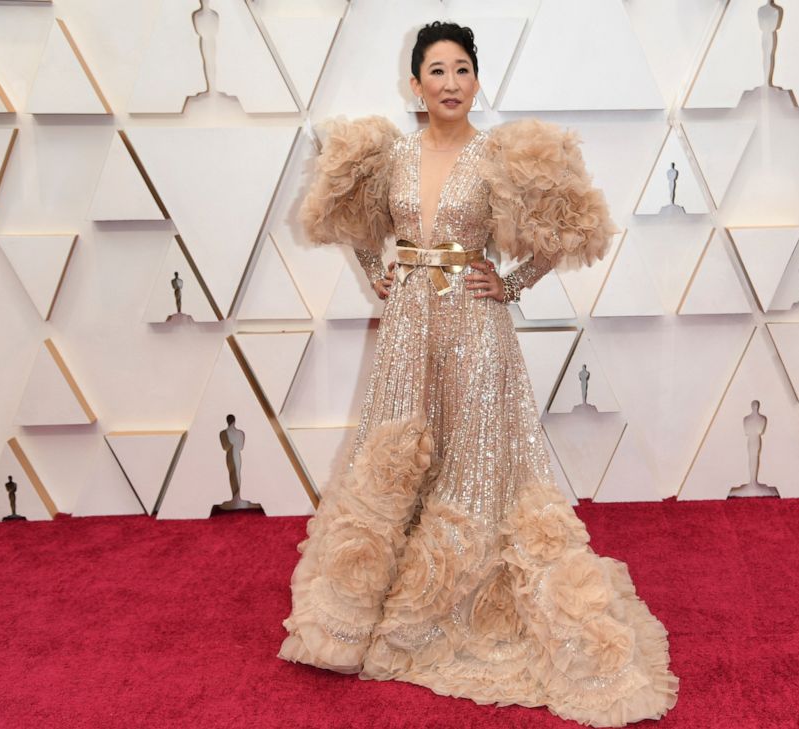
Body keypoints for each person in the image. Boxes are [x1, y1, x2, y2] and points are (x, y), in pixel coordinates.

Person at [278, 21, 678, 726]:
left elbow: (573, 227)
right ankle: (358, 610)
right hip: (408, 331)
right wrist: (378, 272)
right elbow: (351, 221)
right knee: (399, 455)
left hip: (474, 327)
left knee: (473, 463)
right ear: (415, 84)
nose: (451, 83)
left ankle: (462, 599)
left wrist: (514, 280)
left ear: (477, 79)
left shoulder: (500, 155)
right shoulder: (391, 157)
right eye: (437, 71)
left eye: (462, 69)